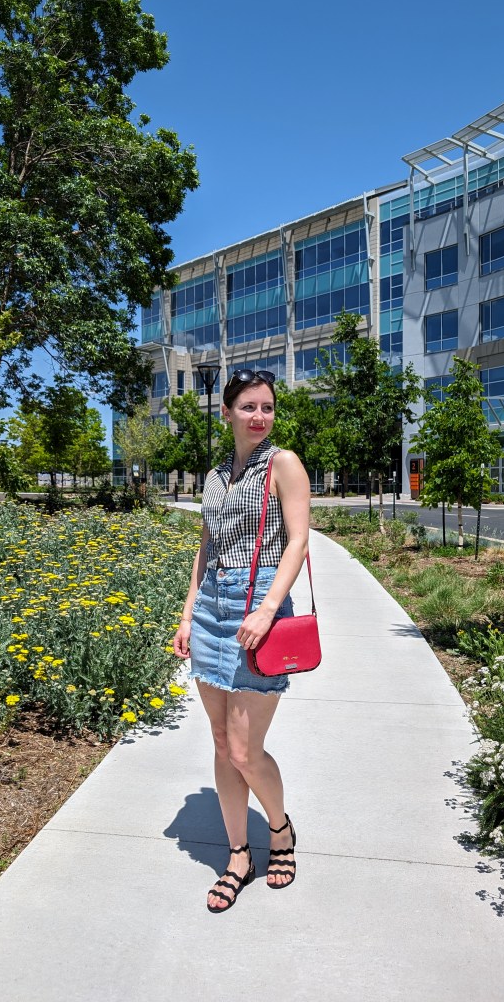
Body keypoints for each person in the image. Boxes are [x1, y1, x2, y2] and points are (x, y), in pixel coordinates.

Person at [173, 368, 311, 913]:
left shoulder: (284, 465)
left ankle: (279, 831)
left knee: (244, 750)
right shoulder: (212, 477)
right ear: (226, 412)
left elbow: (299, 540)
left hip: (260, 612)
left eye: (268, 407)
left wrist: (268, 608)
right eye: (249, 407)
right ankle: (238, 855)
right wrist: (187, 616)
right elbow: (205, 550)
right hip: (210, 612)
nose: (260, 416)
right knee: (218, 743)